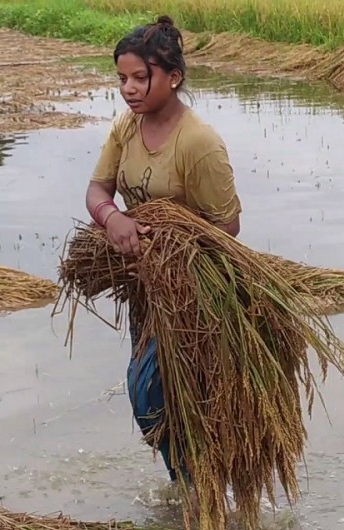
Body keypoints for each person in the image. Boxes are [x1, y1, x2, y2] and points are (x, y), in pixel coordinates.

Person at [83, 14, 242, 495]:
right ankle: (194, 495)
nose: (128, 89)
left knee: (149, 393)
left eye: (139, 77)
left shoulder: (199, 143)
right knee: (165, 400)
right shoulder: (126, 128)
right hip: (146, 288)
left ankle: (201, 489)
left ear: (173, 77)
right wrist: (114, 219)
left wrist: (175, 247)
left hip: (194, 293)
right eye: (122, 79)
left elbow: (228, 226)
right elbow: (97, 189)